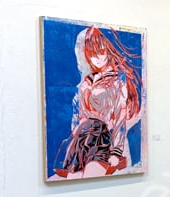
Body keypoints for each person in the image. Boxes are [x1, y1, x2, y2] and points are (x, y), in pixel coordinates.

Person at [52, 26, 142, 178]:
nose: (98, 58)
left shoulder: (118, 81)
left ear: (107, 50)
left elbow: (120, 118)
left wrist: (116, 152)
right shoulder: (85, 84)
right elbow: (78, 118)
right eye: (92, 54)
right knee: (75, 178)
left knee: (90, 174)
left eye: (101, 51)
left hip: (104, 140)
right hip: (82, 140)